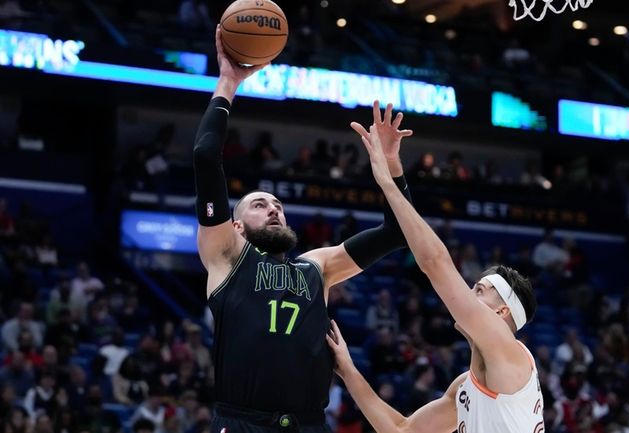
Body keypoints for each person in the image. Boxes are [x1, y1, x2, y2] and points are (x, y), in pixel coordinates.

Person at [193, 25, 414, 433]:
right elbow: (206, 156)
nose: (274, 209)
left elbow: (398, 232)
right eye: (261, 205)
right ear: (237, 225)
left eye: (278, 205)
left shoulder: (317, 267)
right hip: (243, 424)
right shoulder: (226, 256)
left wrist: (392, 168)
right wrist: (228, 80)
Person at [326, 122, 543, 433]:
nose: (468, 292)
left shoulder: (508, 349)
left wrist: (388, 182)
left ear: (502, 312)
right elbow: (401, 430)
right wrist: (347, 370)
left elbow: (436, 263)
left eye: (479, 290)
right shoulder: (465, 387)